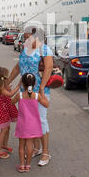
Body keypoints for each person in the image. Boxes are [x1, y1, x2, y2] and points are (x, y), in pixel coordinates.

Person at [8, 26, 54, 166]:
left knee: (40, 120)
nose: (25, 39)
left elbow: (48, 67)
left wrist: (41, 87)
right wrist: (7, 82)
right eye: (25, 37)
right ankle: (36, 148)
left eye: (28, 37)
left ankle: (46, 152)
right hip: (24, 92)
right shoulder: (25, 50)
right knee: (29, 120)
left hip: (39, 92)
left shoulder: (44, 49)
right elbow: (18, 68)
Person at [12, 73, 49, 172]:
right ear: (35, 83)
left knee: (21, 146)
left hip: (22, 124)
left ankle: (22, 165)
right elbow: (46, 105)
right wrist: (42, 92)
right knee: (30, 145)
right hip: (33, 125)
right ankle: (28, 165)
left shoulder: (19, 95)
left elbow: (11, 103)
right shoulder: (37, 96)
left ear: (23, 84)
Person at [0, 67, 20, 159]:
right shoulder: (0, 88)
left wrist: (8, 88)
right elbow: (10, 95)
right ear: (3, 79)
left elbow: (6, 93)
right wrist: (18, 86)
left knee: (7, 127)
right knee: (4, 129)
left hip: (4, 109)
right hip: (1, 111)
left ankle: (4, 144)